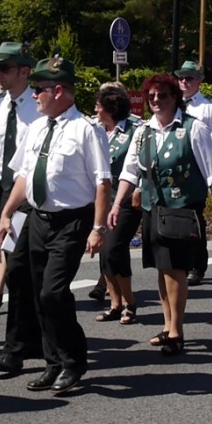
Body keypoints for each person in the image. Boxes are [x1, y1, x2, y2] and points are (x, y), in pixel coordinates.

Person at [0, 54, 111, 393]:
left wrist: (98, 228)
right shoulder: (36, 128)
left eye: (39, 89)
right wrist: (7, 212)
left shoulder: (86, 130)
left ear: (58, 91)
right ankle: (53, 363)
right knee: (38, 294)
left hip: (71, 221)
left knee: (54, 291)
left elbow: (102, 182)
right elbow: (23, 175)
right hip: (38, 219)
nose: (34, 94)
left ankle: (73, 361)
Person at [111, 74, 212, 355]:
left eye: (162, 95)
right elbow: (130, 172)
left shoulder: (194, 129)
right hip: (153, 209)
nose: (156, 100)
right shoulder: (143, 132)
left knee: (175, 269)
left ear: (175, 98)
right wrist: (116, 205)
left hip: (181, 209)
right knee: (162, 270)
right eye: (151, 96)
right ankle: (167, 325)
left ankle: (176, 331)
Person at [0, 42, 39, 313]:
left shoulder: (40, 104)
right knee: (8, 247)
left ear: (24, 71)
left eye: (4, 68)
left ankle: (19, 305)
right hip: (4, 189)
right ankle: (19, 304)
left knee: (20, 255)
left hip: (31, 193)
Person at [93, 84, 142, 323]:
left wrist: (139, 188)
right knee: (104, 254)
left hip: (126, 201)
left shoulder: (136, 129)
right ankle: (115, 304)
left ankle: (130, 301)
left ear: (110, 110)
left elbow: (143, 163)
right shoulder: (95, 129)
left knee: (114, 250)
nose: (95, 110)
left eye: (98, 107)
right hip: (102, 201)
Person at [174, 61, 212, 285]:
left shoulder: (208, 107)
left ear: (199, 81)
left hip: (198, 169)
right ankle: (180, 262)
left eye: (189, 78)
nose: (184, 81)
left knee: (195, 218)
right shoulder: (173, 103)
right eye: (181, 78)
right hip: (176, 169)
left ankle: (197, 265)